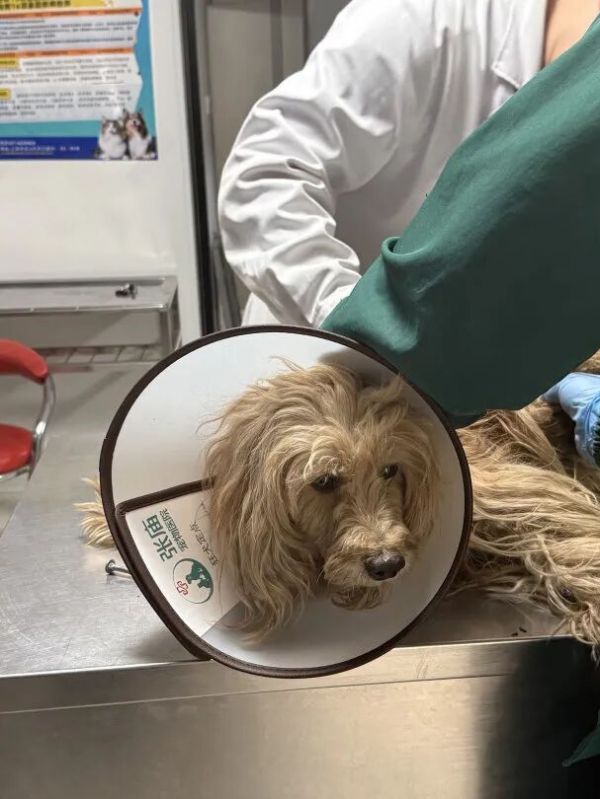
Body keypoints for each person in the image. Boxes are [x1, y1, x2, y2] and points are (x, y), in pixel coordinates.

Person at [218, 0, 599, 329]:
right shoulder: (423, 16)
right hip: (310, 346)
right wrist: (355, 323)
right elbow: (265, 173)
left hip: (452, 366)